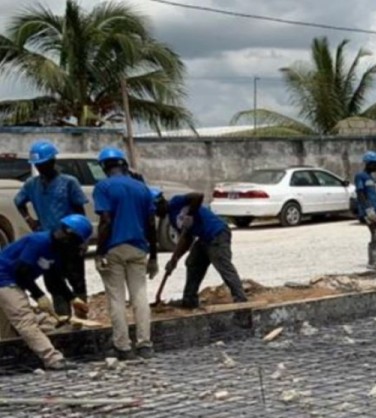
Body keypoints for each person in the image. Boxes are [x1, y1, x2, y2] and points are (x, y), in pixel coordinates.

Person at [92, 147, 159, 361]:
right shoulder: (142, 188)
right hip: (139, 248)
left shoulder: (103, 187)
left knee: (116, 298)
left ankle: (123, 347)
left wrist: (99, 252)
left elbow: (106, 221)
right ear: (123, 164)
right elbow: (151, 223)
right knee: (140, 296)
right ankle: (145, 344)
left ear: (104, 167)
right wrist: (154, 255)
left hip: (114, 247)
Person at [0, 214, 91, 370]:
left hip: (12, 280)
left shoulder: (55, 250)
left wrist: (72, 298)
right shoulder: (39, 242)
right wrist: (38, 295)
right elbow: (21, 271)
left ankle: (10, 360)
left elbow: (54, 277)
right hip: (5, 279)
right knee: (25, 321)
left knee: (6, 325)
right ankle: (53, 359)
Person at [14, 140, 88, 320]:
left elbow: (80, 212)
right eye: (37, 166)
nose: (40, 169)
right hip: (47, 243)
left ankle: (82, 319)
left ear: (52, 162)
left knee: (76, 281)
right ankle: (63, 318)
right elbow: (19, 202)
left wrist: (82, 240)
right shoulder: (32, 184)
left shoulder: (69, 183)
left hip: (70, 242)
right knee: (54, 283)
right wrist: (30, 220)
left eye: (43, 164)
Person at [162, 193, 248, 308]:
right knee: (193, 263)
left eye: (156, 209)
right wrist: (174, 260)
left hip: (217, 232)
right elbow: (187, 239)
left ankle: (241, 299)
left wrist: (190, 215)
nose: (156, 213)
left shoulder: (176, 201)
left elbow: (198, 196)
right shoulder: (172, 219)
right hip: (204, 238)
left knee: (223, 264)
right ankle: (189, 301)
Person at [354, 151, 376, 267]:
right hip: (369, 210)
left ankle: (375, 258)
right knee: (375, 230)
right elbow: (361, 194)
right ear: (369, 164)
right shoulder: (360, 177)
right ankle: (374, 259)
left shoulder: (370, 177)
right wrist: (368, 210)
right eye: (375, 164)